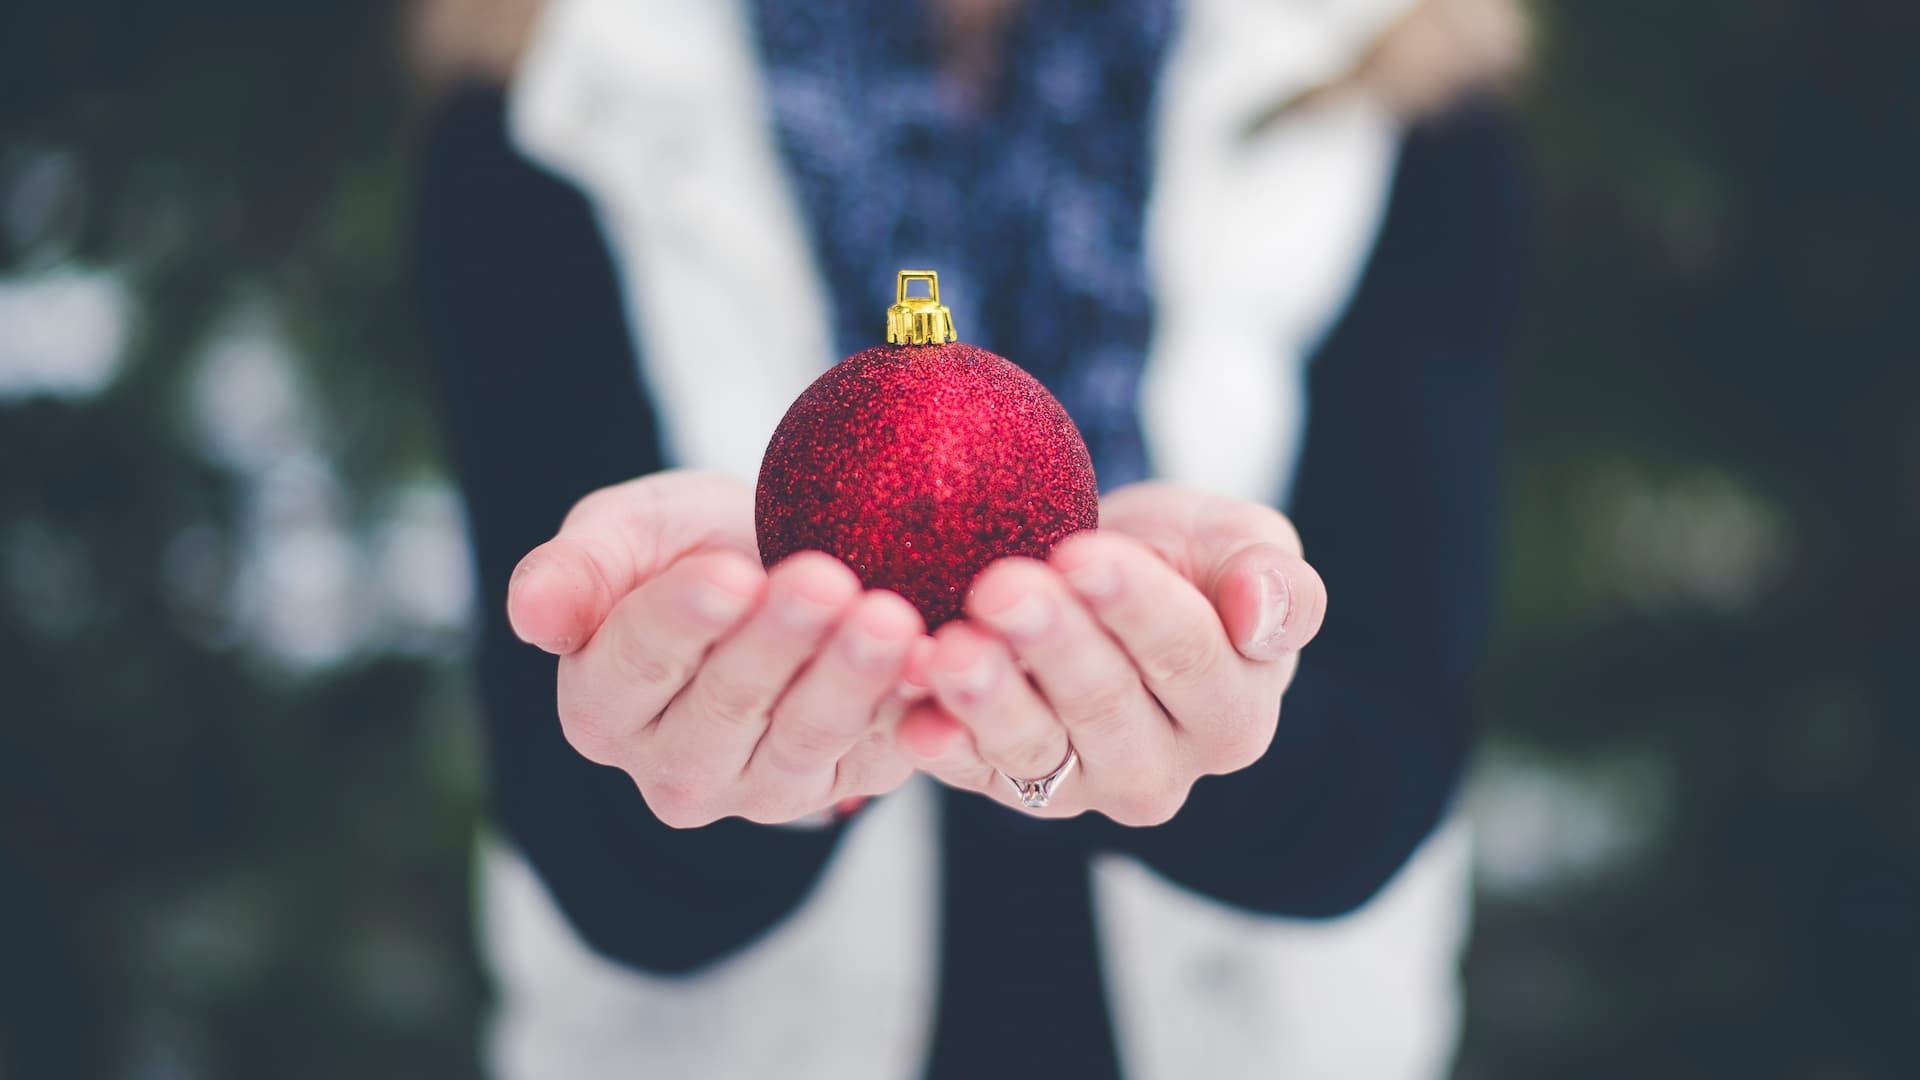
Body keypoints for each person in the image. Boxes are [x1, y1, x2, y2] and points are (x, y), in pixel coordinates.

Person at [411, 0, 1527, 1076]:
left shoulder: (1388, 62)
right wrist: (761, 759)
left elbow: (1399, 721)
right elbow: (593, 841)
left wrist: (1214, 719)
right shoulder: (558, 76)